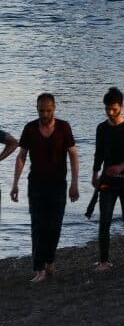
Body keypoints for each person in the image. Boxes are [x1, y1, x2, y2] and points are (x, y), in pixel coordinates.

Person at [9, 93, 78, 283]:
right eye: (41, 111)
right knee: (38, 226)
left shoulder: (64, 128)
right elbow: (21, 156)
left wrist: (74, 183)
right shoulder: (30, 129)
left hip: (58, 185)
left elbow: (73, 154)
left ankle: (49, 261)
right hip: (36, 186)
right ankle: (39, 269)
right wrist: (15, 184)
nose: (44, 114)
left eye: (48, 110)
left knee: (54, 225)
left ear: (54, 108)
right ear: (37, 109)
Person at [91, 87, 124, 271]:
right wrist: (95, 173)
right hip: (108, 181)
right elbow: (99, 153)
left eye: (114, 109)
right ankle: (104, 261)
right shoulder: (102, 128)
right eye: (107, 109)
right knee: (104, 220)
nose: (110, 113)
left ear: (122, 107)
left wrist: (121, 166)